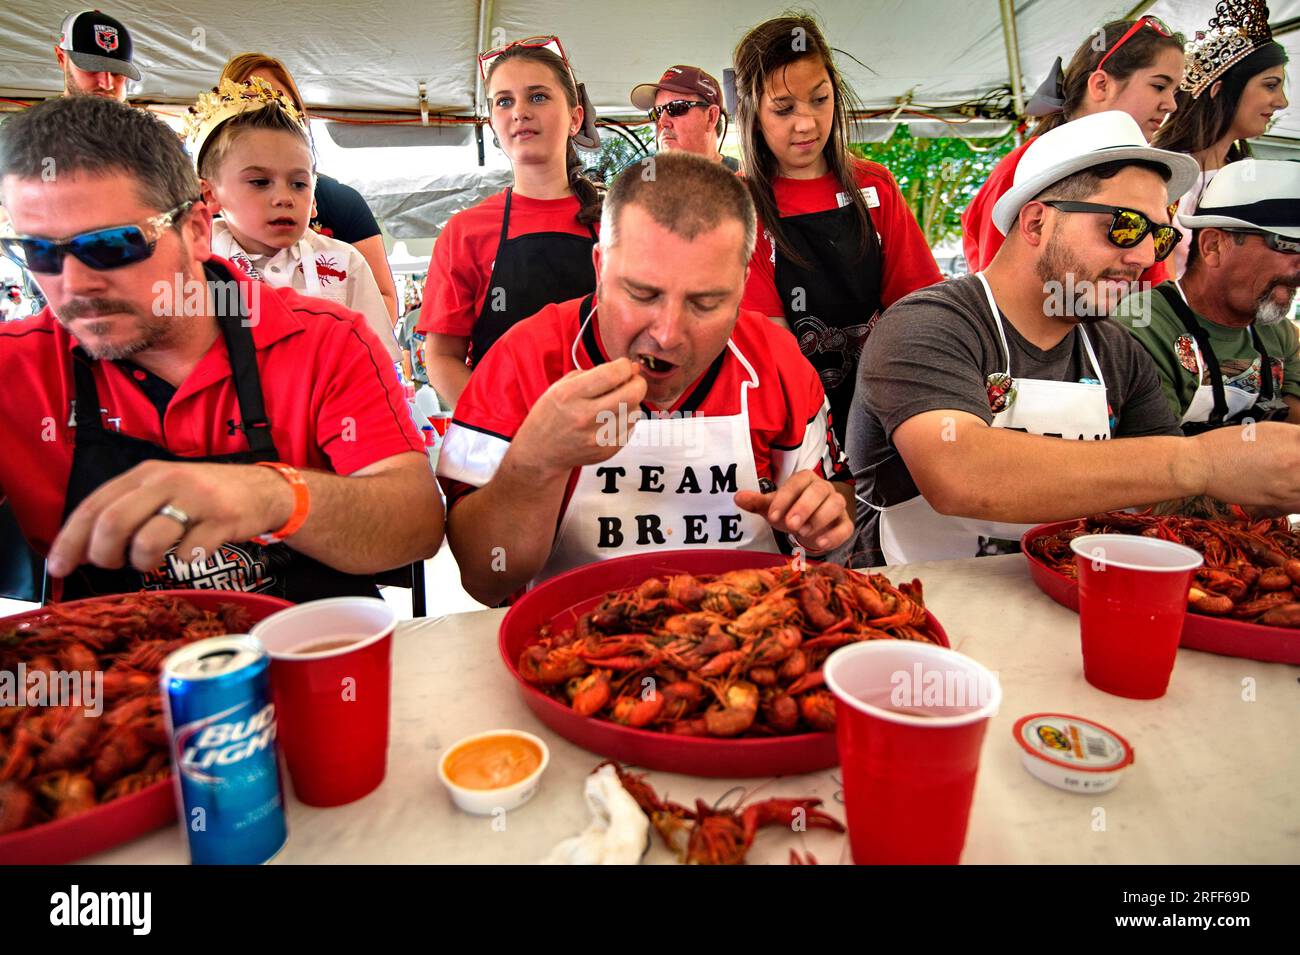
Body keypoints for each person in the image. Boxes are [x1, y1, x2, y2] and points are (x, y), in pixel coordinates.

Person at [0, 96, 442, 600]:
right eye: (38, 251)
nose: (75, 284)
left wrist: (279, 497)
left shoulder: (326, 340)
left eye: (113, 245)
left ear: (195, 230)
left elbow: (416, 524)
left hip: (310, 663)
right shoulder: (17, 366)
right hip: (108, 672)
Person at [848, 110, 1300, 567]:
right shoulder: (930, 324)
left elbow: (1169, 504)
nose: (1144, 256)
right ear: (1037, 223)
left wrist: (1264, 483)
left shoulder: (1119, 353)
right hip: (917, 609)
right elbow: (960, 474)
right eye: (1124, 226)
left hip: (1067, 602)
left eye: (1160, 237)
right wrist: (1201, 462)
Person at [437, 152, 854, 606]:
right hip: (572, 640)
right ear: (599, 270)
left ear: (741, 291)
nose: (668, 334)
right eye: (642, 293)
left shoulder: (777, 363)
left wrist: (819, 520)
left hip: (749, 641)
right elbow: (484, 578)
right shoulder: (524, 360)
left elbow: (836, 503)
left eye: (707, 302)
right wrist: (536, 460)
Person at [732, 14, 942, 447]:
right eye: (783, 109)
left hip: (888, 409)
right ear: (752, 114)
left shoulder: (876, 186)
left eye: (820, 99)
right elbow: (770, 346)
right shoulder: (741, 205)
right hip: (793, 423)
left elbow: (917, 311)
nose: (806, 123)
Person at [418, 35, 604, 405]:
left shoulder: (619, 223)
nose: (520, 111)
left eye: (538, 96)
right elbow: (442, 357)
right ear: (492, 124)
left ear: (575, 117)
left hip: (610, 438)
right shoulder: (464, 232)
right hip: (503, 445)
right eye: (505, 101)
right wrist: (498, 424)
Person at [186, 78, 399, 363]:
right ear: (210, 194)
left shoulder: (344, 262)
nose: (284, 197)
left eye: (298, 184)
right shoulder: (192, 267)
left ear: (313, 197)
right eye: (260, 182)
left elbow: (376, 363)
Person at [962, 16, 1186, 272]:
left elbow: (1150, 291)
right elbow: (1001, 292)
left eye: (1175, 92)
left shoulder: (1144, 178)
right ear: (1101, 85)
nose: (1171, 105)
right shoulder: (1021, 171)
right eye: (1159, 86)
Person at [218, 53, 402, 326]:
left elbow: (384, 300)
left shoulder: (342, 203)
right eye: (251, 100)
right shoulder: (195, 218)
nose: (268, 112)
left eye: (278, 101)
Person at [1115, 159, 1300, 430]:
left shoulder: (1278, 332)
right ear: (1213, 246)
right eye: (1287, 245)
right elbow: (1159, 457)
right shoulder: (1142, 328)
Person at [1153, 0, 1289, 278]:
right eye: (1270, 85)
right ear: (1219, 90)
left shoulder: (1250, 177)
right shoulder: (1162, 174)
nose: (1282, 102)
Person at [629, 65, 738, 170]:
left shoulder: (748, 180)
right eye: (657, 111)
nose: (662, 122)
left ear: (711, 117)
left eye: (676, 107)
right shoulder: (646, 182)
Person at [54, 9, 140, 102]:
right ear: (61, 59)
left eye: (117, 72)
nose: (107, 85)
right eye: (93, 68)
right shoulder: (42, 115)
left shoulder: (139, 116)